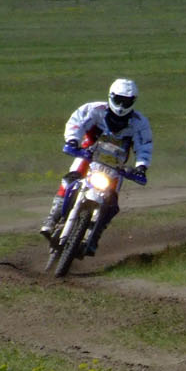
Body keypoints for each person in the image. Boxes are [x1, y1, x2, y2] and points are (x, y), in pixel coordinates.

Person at [39, 78, 152, 255]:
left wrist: (141, 167)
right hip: (88, 156)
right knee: (71, 178)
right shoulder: (94, 109)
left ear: (133, 101)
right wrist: (72, 140)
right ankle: (52, 218)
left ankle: (94, 236)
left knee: (111, 202)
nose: (122, 105)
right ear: (111, 96)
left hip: (115, 167)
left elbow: (144, 145)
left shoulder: (139, 122)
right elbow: (76, 122)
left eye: (127, 101)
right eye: (119, 99)